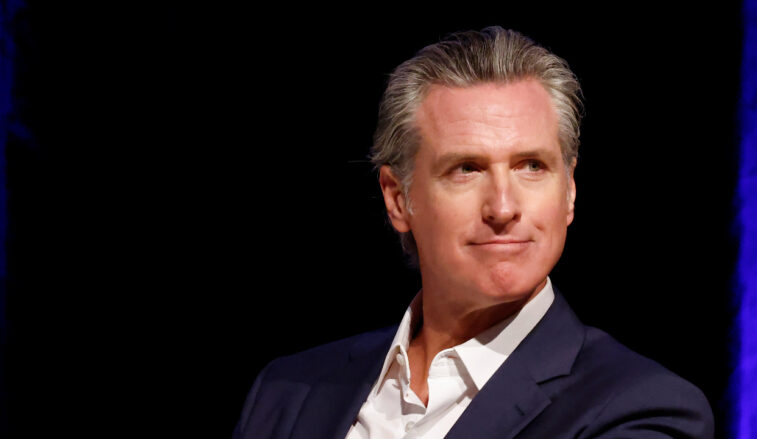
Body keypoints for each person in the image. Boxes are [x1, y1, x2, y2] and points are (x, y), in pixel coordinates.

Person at [233, 26, 714, 439]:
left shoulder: (640, 408)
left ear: (569, 190)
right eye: (466, 169)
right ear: (398, 198)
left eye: (532, 166)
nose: (503, 208)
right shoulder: (286, 391)